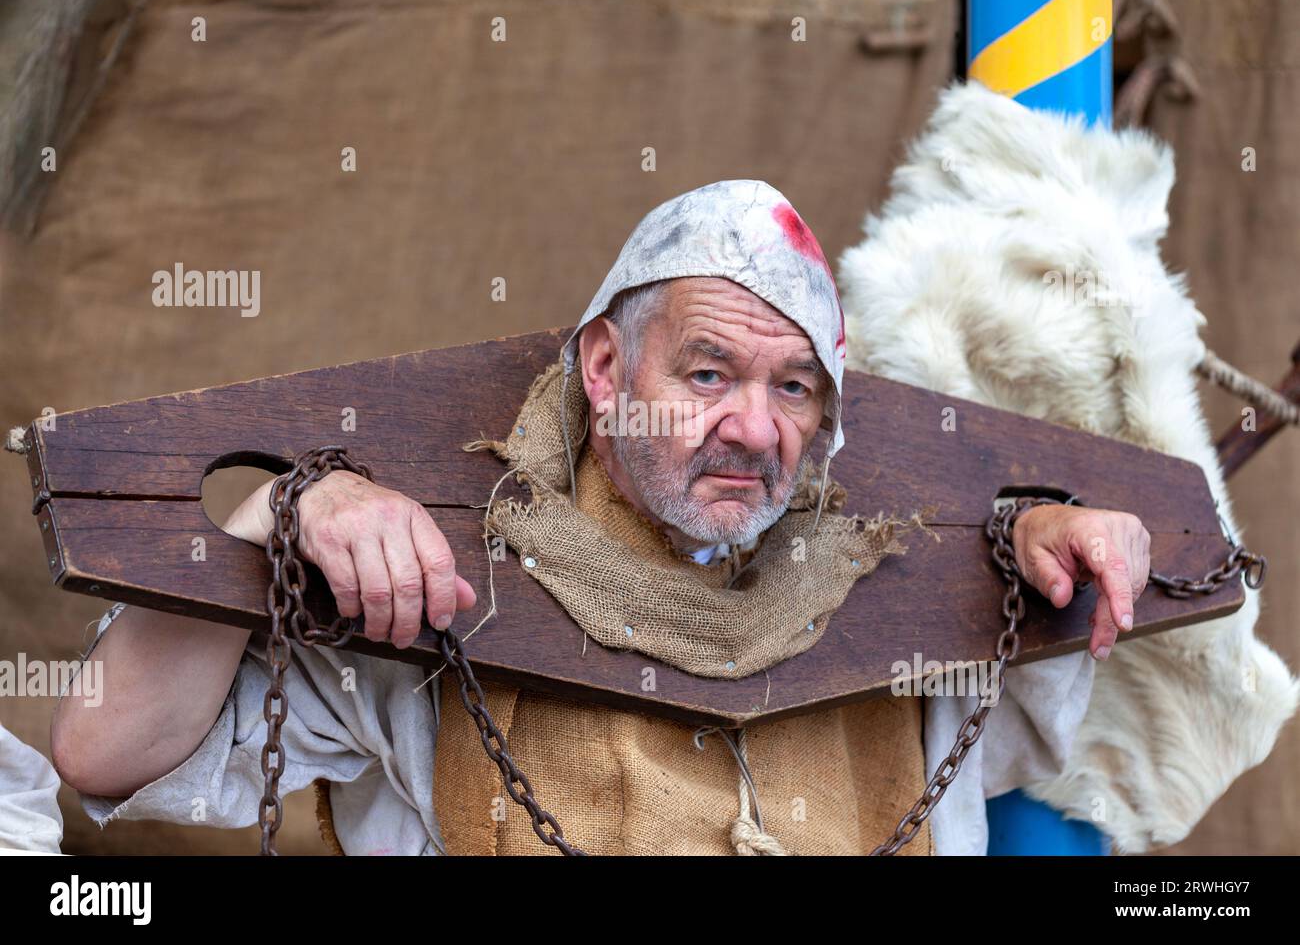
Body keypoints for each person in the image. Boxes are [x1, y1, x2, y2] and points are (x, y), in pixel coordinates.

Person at [50, 180, 1150, 855]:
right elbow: (104, 751)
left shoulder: (894, 573)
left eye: (794, 388)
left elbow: (1021, 698)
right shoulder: (439, 575)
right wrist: (271, 509)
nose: (754, 429)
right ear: (609, 367)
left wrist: (1034, 533)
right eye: (709, 372)